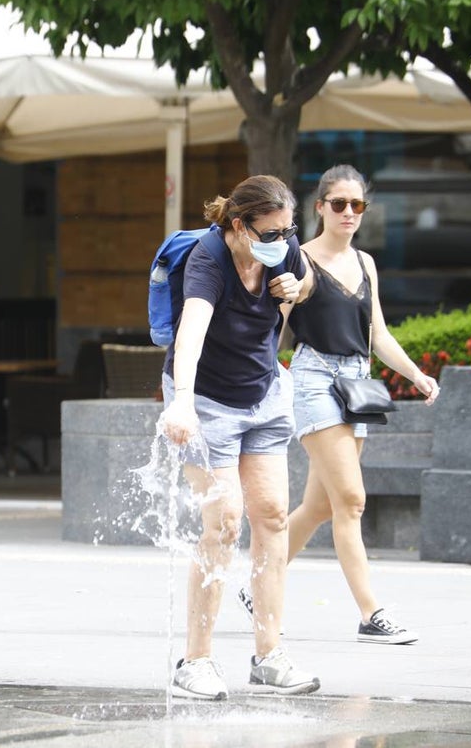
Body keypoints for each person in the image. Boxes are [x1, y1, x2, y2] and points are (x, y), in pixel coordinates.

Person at [241, 164, 439, 644]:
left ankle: (257, 585)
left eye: (358, 205)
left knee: (320, 507)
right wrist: (254, 378)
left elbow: (378, 335)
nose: (349, 212)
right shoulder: (298, 258)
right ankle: (372, 615)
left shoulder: (367, 263)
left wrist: (416, 374)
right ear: (320, 208)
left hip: (357, 383)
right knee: (352, 500)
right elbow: (275, 326)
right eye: (339, 204)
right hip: (313, 380)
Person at [159, 174, 320, 700]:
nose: (282, 241)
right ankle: (195, 661)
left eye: (287, 231)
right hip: (205, 399)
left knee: (272, 514)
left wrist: (299, 287)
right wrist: (182, 400)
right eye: (269, 233)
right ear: (237, 225)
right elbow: (193, 330)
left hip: (264, 392)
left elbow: (308, 277)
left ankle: (269, 655)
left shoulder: (284, 245)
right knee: (224, 522)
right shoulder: (208, 260)